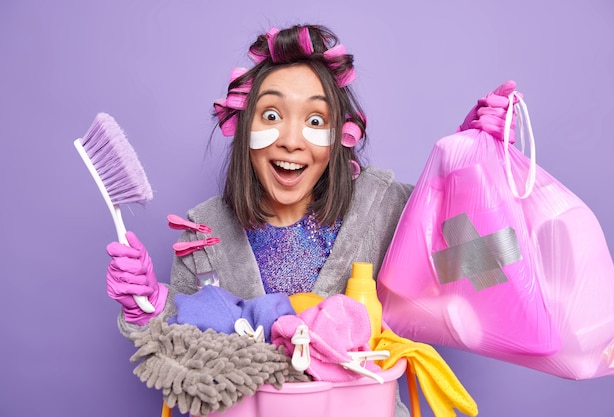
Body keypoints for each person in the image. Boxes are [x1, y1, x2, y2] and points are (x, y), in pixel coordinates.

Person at [105, 23, 516, 417]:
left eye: (315, 120)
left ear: (340, 134)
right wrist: (149, 309)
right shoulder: (204, 234)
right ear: (244, 127)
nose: (291, 138)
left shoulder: (383, 208)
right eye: (270, 116)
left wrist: (469, 174)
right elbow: (179, 361)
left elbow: (488, 264)